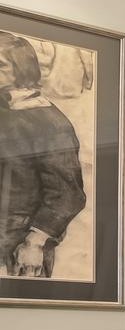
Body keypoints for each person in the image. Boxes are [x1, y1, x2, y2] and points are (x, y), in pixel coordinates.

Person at [0, 34, 87, 278]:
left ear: (21, 70)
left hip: (18, 251)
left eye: (0, 66)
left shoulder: (49, 123)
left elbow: (68, 195)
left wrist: (34, 243)